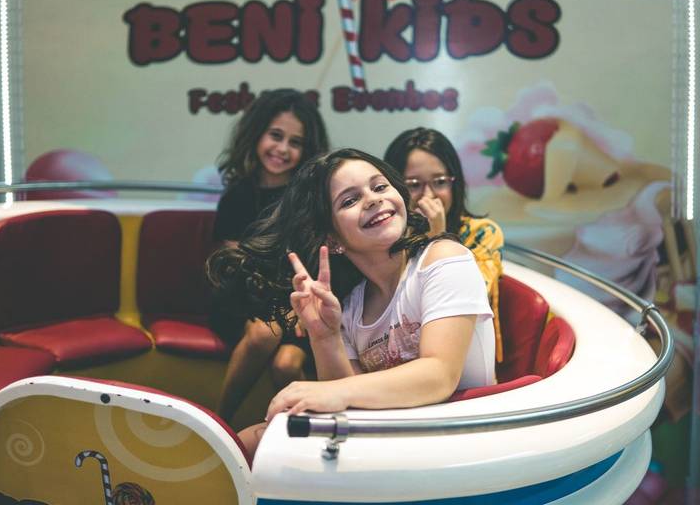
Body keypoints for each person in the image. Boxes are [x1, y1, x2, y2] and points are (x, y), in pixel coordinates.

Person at [207, 148, 496, 456]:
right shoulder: (351, 302)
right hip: (399, 437)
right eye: (349, 200)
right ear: (332, 240)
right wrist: (324, 335)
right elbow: (351, 408)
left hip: (462, 438)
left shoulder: (443, 258)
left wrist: (331, 391)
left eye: (380, 186)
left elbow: (439, 375)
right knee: (248, 443)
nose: (372, 199)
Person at [210, 88, 330, 420]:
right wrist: (282, 309)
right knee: (265, 332)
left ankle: (310, 435)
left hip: (300, 306)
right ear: (256, 133)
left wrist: (299, 310)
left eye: (295, 142)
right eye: (276, 135)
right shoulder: (237, 196)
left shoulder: (310, 201)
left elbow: (316, 265)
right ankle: (220, 421)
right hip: (244, 301)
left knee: (286, 365)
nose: (283, 149)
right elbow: (233, 272)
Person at [384, 127, 505, 361]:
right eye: (414, 185)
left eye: (440, 182)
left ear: (454, 183)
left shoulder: (482, 232)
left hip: (466, 357)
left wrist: (439, 239)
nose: (428, 196)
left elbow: (470, 298)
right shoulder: (388, 238)